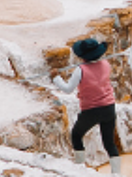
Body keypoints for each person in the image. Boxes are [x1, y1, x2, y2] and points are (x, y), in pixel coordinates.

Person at [55, 37, 122, 175]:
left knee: (76, 135)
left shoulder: (81, 70)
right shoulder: (105, 64)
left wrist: (56, 77)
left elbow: (68, 89)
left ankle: (80, 169)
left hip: (91, 110)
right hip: (109, 107)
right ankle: (117, 173)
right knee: (109, 143)